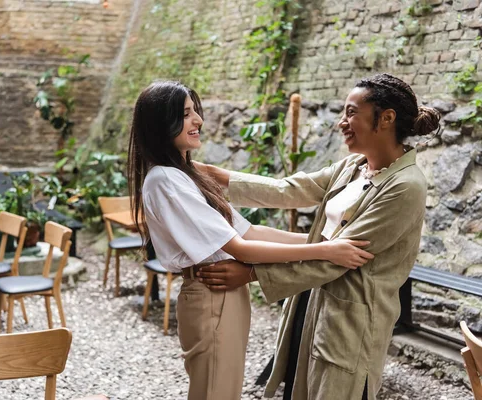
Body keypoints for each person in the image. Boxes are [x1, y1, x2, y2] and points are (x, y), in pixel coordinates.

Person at [195, 73, 441, 400]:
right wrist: (212, 175)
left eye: (352, 112)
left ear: (386, 118)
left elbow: (340, 259)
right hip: (310, 301)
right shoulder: (353, 166)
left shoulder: (405, 186)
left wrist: (252, 273)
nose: (342, 122)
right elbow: (289, 190)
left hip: (352, 318)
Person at [126, 80, 374, 400]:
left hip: (223, 293)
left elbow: (250, 232)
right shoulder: (165, 180)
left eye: (195, 112)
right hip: (211, 291)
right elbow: (240, 248)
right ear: (162, 124)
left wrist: (322, 240)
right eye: (186, 114)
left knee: (221, 389)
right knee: (216, 392)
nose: (198, 120)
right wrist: (325, 250)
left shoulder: (183, 175)